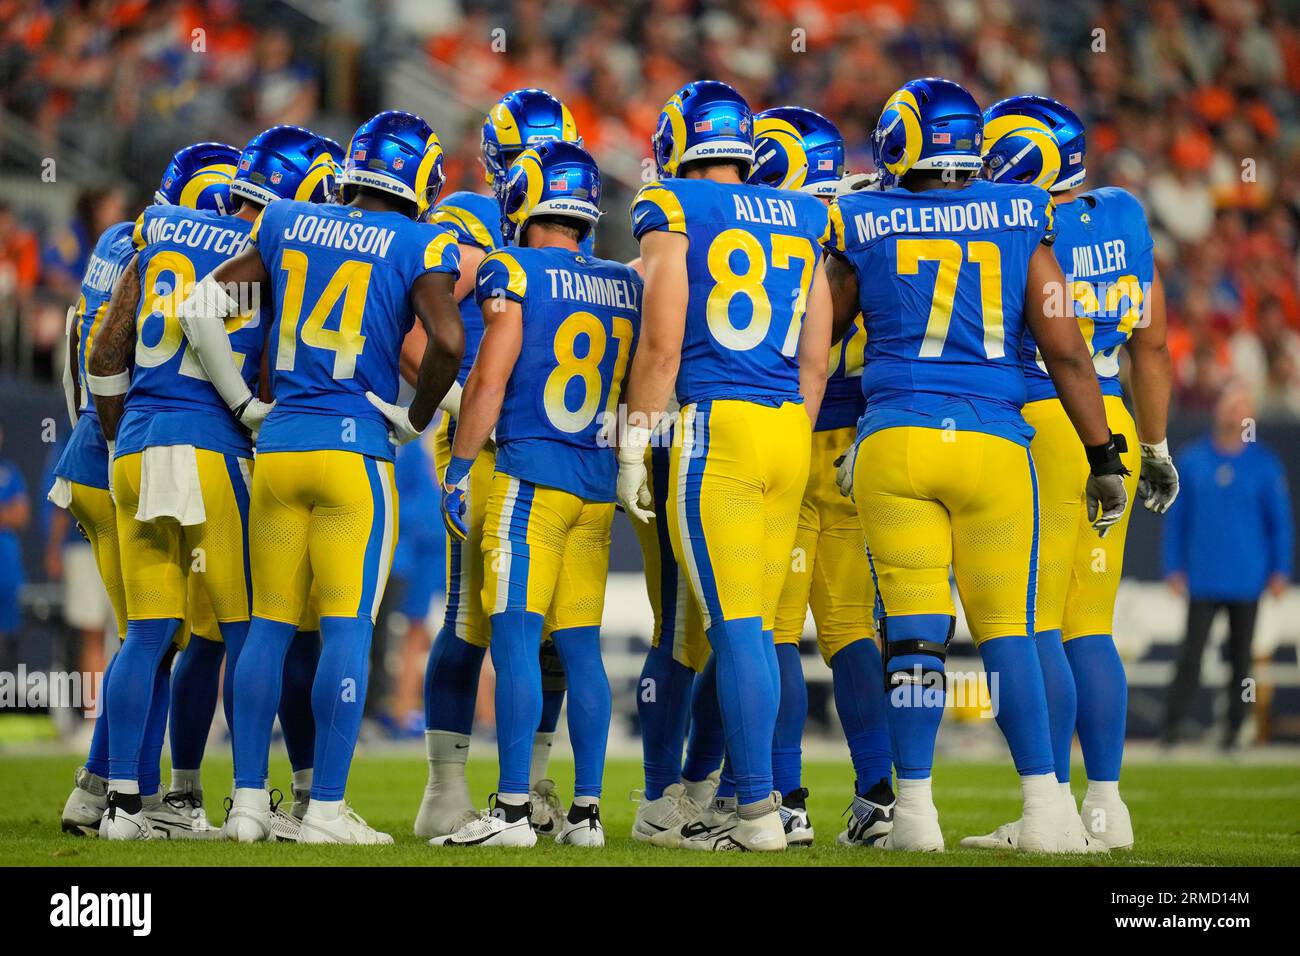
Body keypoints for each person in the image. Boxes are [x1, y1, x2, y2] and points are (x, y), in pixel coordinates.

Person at [827, 77, 1128, 853]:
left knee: (918, 637)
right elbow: (1064, 346)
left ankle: (917, 814)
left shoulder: (860, 217)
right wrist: (1104, 454)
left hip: (896, 438)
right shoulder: (1022, 214)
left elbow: (815, 333)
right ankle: (1046, 809)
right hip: (996, 441)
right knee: (1013, 634)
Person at [179, 110, 463, 845]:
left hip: (277, 447)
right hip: (353, 453)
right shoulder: (420, 238)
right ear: (418, 175)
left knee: (267, 628)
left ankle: (245, 802)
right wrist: (416, 416)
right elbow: (450, 338)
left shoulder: (287, 222)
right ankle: (324, 809)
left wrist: (244, 402)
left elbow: (201, 301)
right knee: (345, 629)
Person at [86, 129, 338, 841]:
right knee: (248, 631)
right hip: (213, 445)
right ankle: (248, 803)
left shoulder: (157, 232)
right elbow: (267, 370)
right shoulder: (276, 253)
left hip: (135, 443)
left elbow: (107, 353)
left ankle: (123, 808)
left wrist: (115, 441)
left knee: (146, 635)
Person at [618, 79, 834, 852]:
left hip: (720, 424)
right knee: (759, 630)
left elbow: (662, 344)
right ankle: (743, 799)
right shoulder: (808, 213)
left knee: (732, 629)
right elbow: (817, 359)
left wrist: (635, 440)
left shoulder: (672, 203)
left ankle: (756, 814)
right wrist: (791, 430)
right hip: (787, 426)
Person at [962, 94, 1179, 852]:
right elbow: (1150, 345)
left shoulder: (1022, 221)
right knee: (1092, 624)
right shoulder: (1122, 212)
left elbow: (1053, 348)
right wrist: (1151, 444)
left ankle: (1047, 810)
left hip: (1050, 421)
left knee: (1034, 624)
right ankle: (1106, 808)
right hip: (1114, 415)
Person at [433, 140, 639, 848]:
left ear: (522, 197)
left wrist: (460, 468)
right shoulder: (620, 281)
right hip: (595, 482)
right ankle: (585, 815)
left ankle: (514, 809)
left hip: (532, 478)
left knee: (516, 636)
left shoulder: (512, 267)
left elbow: (488, 381)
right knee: (580, 648)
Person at [414, 88, 584, 840]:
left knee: (539, 623)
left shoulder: (552, 226)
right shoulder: (468, 219)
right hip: (486, 437)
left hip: (545, 437)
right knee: (472, 616)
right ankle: (447, 788)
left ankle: (533, 782)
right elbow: (411, 323)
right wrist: (455, 406)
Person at [746, 105, 895, 847]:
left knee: (772, 631)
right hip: (858, 447)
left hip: (786, 435)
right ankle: (877, 795)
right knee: (850, 634)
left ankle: (783, 796)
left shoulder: (770, 228)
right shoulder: (872, 221)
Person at [1162, 382, 1293, 748]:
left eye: (1243, 406)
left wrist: (1280, 569)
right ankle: (1171, 726)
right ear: (1218, 409)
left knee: (1241, 660)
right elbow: (1177, 520)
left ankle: (1236, 728)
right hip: (1203, 576)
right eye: (1231, 404)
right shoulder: (1193, 460)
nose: (1236, 413)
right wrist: (1173, 567)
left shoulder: (1264, 465)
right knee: (1190, 655)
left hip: (1247, 578)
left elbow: (1279, 523)